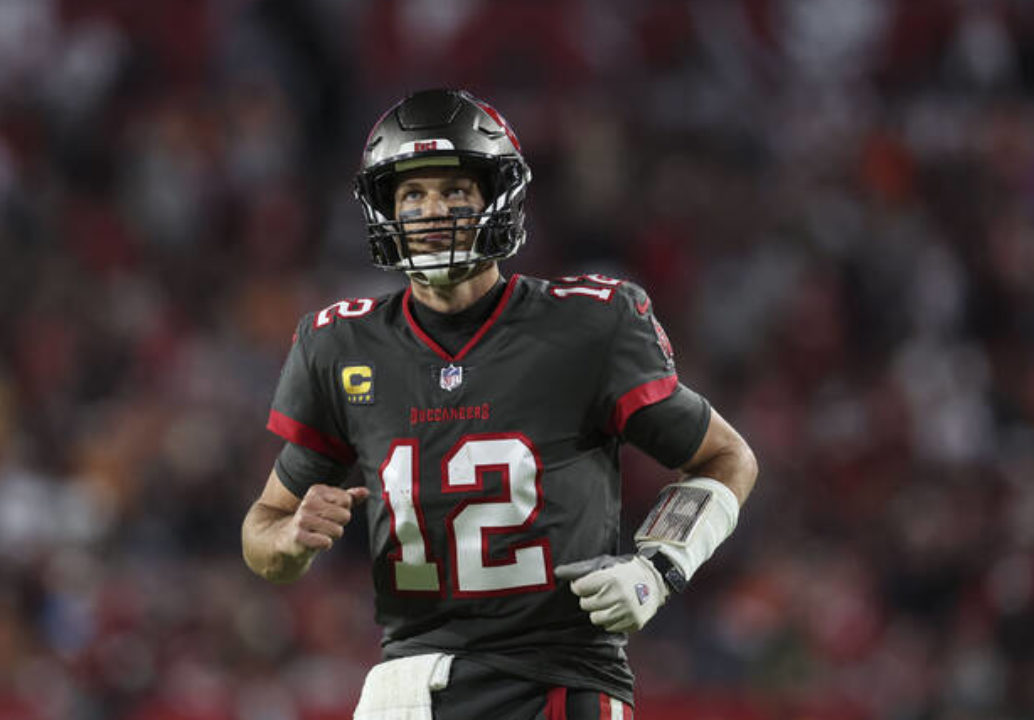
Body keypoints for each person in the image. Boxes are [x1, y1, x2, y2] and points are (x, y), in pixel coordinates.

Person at [241, 89, 758, 720]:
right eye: (412, 195)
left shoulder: (587, 326)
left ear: (496, 197)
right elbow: (263, 530)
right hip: (408, 687)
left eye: (455, 191)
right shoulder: (341, 344)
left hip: (559, 678)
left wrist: (659, 565)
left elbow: (725, 458)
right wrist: (292, 539)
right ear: (386, 210)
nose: (432, 211)